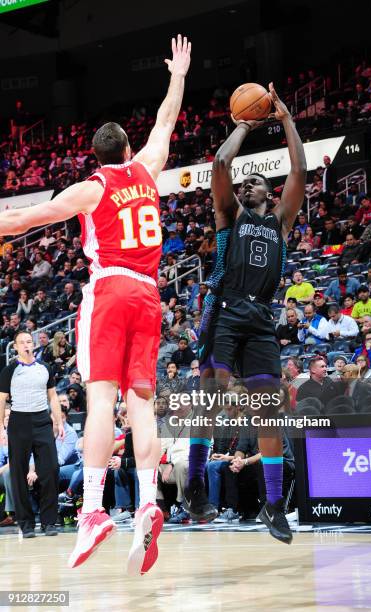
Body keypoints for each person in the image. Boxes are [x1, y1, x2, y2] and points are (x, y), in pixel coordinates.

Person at [0, 35, 191, 575]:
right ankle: (150, 500)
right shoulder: (149, 168)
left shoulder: (93, 186)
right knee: (144, 405)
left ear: (98, 157)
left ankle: (91, 510)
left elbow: (23, 221)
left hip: (109, 289)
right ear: (128, 151)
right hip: (152, 293)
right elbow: (165, 123)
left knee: (102, 397)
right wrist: (176, 75)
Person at [185, 83, 306, 545]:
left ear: (270, 193)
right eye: (245, 181)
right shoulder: (228, 214)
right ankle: (196, 486)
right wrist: (243, 126)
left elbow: (299, 166)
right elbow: (220, 164)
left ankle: (274, 505)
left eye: (254, 181)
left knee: (268, 411)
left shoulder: (280, 221)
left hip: (260, 319)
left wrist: (286, 120)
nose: (246, 182)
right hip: (225, 309)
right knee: (210, 398)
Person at [0, 331, 64, 538]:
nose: (26, 345)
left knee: (51, 469)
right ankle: (26, 523)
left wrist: (59, 421)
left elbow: (53, 397)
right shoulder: (9, 370)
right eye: (22, 342)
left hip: (42, 421)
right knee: (18, 473)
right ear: (16, 347)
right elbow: (1, 400)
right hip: (19, 422)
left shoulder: (45, 368)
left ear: (33, 345)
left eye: (29, 341)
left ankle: (48, 522)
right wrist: (1, 426)